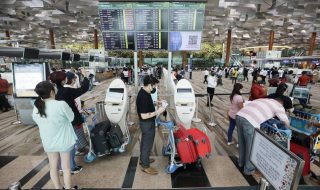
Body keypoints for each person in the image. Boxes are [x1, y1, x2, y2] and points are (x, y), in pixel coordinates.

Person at [32, 81, 78, 189]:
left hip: (48, 141)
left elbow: (37, 120)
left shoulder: (37, 107)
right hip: (64, 141)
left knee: (53, 167)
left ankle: (58, 188)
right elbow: (71, 118)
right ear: (52, 92)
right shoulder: (61, 104)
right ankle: (68, 188)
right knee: (66, 167)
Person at [236, 98, 290, 175]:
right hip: (250, 121)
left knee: (242, 143)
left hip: (239, 115)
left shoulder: (263, 100)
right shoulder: (279, 106)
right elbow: (285, 121)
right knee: (250, 146)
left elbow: (243, 104)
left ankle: (241, 163)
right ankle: (249, 169)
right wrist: (289, 130)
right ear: (283, 104)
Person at [50, 69, 89, 174]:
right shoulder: (66, 91)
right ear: (63, 80)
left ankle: (63, 166)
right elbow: (84, 88)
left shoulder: (52, 93)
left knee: (63, 144)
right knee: (70, 144)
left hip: (57, 122)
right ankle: (71, 166)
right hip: (71, 121)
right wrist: (85, 76)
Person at [136, 75, 166, 175]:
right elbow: (144, 116)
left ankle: (143, 160)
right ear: (149, 85)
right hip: (147, 123)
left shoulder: (145, 92)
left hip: (147, 124)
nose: (154, 88)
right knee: (147, 145)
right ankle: (145, 166)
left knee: (145, 143)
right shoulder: (143, 96)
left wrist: (158, 102)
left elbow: (148, 104)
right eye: (154, 86)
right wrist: (158, 111)